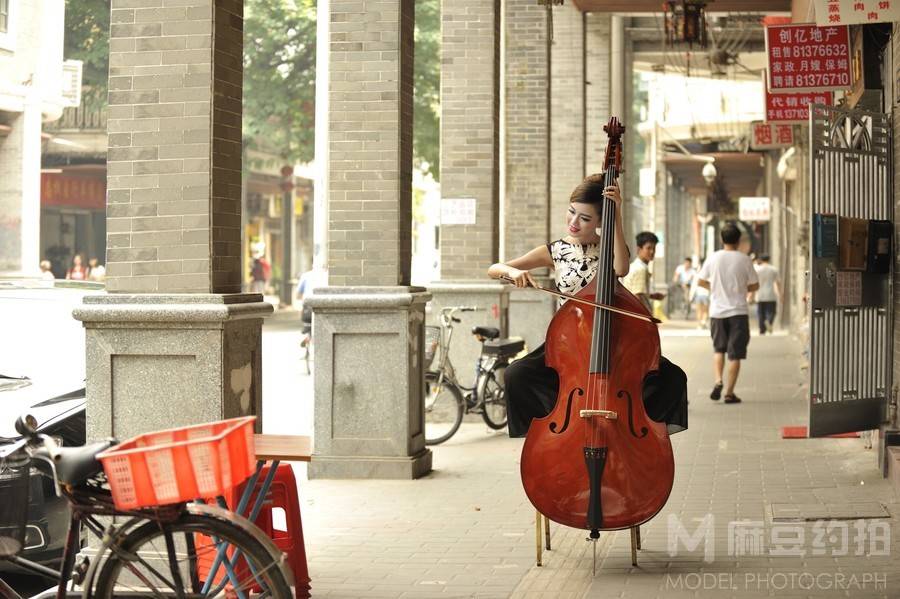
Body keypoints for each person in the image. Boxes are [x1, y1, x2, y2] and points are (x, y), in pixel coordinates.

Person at [487, 174, 687, 439]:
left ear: (600, 221)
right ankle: (552, 432)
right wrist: (512, 273)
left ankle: (637, 433)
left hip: (612, 339)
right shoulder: (555, 251)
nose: (573, 222)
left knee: (674, 378)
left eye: (584, 218)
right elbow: (494, 268)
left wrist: (616, 214)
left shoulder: (610, 248)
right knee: (517, 375)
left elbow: (620, 268)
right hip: (568, 340)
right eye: (571, 213)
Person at [697, 224, 759, 404]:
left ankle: (718, 381)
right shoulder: (744, 259)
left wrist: (714, 288)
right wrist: (740, 289)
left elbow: (701, 281)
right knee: (735, 354)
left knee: (719, 349)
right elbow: (755, 285)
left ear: (721, 239)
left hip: (717, 313)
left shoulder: (713, 258)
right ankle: (729, 393)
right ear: (739, 241)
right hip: (738, 312)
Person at [621, 231, 665, 313]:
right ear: (639, 249)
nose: (652, 252)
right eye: (648, 248)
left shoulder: (634, 266)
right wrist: (647, 317)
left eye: (654, 248)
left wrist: (651, 295)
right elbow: (638, 296)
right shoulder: (641, 269)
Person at [753, 254, 780, 335]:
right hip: (771, 294)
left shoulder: (757, 270)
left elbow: (754, 282)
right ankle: (769, 321)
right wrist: (780, 294)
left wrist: (751, 295)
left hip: (759, 294)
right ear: (769, 259)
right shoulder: (774, 269)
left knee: (760, 313)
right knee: (772, 312)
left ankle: (762, 330)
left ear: (760, 260)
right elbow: (778, 283)